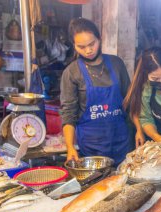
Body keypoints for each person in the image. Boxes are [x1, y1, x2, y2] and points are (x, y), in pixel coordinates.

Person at [60, 18, 144, 164]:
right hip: (91, 145)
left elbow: (130, 101)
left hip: (122, 141)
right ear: (74, 46)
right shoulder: (72, 72)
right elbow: (68, 114)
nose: (88, 50)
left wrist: (139, 129)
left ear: (100, 39)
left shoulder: (116, 64)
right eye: (81, 47)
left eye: (92, 44)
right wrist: (70, 147)